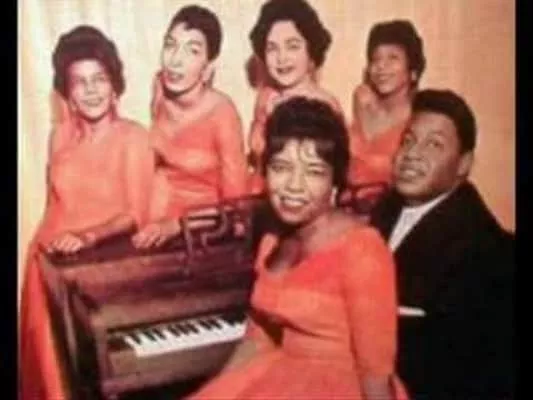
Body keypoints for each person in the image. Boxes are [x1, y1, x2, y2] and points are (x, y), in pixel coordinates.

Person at [187, 97, 408, 400]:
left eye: (313, 172)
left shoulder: (363, 249)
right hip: (278, 376)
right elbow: (257, 339)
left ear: (335, 182)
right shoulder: (272, 239)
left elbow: (376, 377)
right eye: (281, 167)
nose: (294, 186)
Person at [19, 26, 154, 399]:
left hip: (96, 271)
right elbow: (53, 204)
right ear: (68, 93)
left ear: (114, 86)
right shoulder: (58, 136)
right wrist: (43, 255)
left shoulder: (134, 137)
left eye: (100, 79)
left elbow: (135, 214)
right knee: (46, 375)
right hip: (45, 267)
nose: (91, 90)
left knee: (85, 380)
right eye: (80, 82)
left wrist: (86, 237)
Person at [370, 89, 514, 399]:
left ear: (463, 164)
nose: (412, 153)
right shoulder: (383, 211)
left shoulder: (484, 250)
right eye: (408, 140)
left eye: (434, 144)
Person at [132, 5, 248, 249]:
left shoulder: (223, 114)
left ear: (208, 68)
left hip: (205, 226)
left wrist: (176, 225)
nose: (175, 60)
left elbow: (236, 206)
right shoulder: (159, 87)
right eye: (170, 45)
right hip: (155, 214)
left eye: (192, 51)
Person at [246, 0, 343, 195]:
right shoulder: (266, 96)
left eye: (292, 46)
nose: (281, 58)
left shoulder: (324, 106)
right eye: (272, 48)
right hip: (259, 192)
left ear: (311, 50)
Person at [345, 20, 425, 212]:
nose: (381, 66)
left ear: (412, 71)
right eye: (376, 59)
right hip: (345, 208)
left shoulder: (418, 118)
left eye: (393, 58)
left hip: (389, 213)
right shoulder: (362, 101)